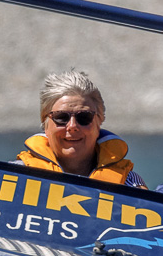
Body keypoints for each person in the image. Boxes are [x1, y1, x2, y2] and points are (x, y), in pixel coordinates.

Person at [16, 70, 145, 186]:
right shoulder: (13, 177)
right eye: (61, 117)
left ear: (99, 121)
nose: (72, 126)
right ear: (45, 123)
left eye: (84, 117)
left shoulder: (131, 184)